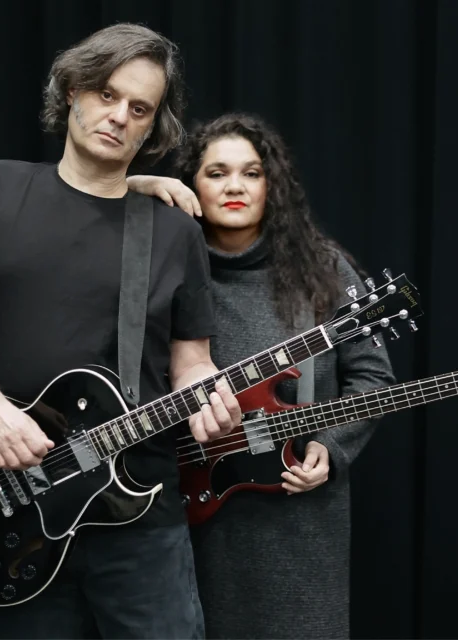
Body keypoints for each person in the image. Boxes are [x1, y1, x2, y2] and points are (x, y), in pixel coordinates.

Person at [0, 23, 242, 639]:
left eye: (139, 108)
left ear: (153, 127)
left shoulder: (174, 232)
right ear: (72, 91)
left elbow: (190, 361)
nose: (118, 116)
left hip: (139, 507)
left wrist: (209, 394)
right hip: (15, 503)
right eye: (106, 94)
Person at [127, 112, 398, 639]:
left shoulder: (325, 269)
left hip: (298, 512)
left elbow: (372, 376)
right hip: (184, 505)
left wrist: (330, 449)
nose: (235, 187)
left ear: (273, 186)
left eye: (251, 173)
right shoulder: (165, 272)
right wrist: (138, 184)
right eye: (217, 173)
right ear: (190, 186)